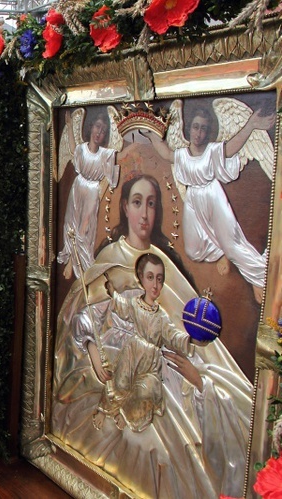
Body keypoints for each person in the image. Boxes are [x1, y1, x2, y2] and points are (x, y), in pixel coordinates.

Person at [53, 172, 252, 498]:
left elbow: (178, 334)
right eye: (136, 202)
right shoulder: (109, 260)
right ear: (125, 209)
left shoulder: (166, 265)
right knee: (155, 445)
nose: (144, 213)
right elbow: (86, 316)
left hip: (165, 371)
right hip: (121, 363)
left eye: (151, 204)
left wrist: (194, 353)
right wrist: (93, 350)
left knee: (181, 432)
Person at [145, 103, 274, 302]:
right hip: (194, 202)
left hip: (213, 198)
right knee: (193, 250)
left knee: (232, 245)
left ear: (208, 132)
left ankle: (261, 279)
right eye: (196, 126)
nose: (198, 132)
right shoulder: (182, 154)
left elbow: (231, 148)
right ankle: (221, 252)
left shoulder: (212, 151)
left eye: (203, 128)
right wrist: (151, 133)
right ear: (190, 129)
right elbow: (165, 152)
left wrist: (251, 125)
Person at [91, 253, 204, 433]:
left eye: (159, 279)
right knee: (120, 384)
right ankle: (104, 411)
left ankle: (126, 415)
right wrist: (112, 292)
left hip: (150, 363)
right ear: (141, 279)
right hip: (132, 353)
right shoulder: (135, 304)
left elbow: (173, 336)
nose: (155, 285)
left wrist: (190, 340)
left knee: (146, 391)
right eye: (150, 278)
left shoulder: (162, 317)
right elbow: (123, 307)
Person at [57, 110, 129, 280]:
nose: (99, 132)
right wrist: (68, 125)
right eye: (98, 127)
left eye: (104, 130)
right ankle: (71, 257)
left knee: (85, 227)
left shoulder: (105, 154)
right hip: (78, 187)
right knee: (71, 224)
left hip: (91, 191)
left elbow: (119, 158)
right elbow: (74, 150)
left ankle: (73, 263)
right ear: (91, 128)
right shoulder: (82, 149)